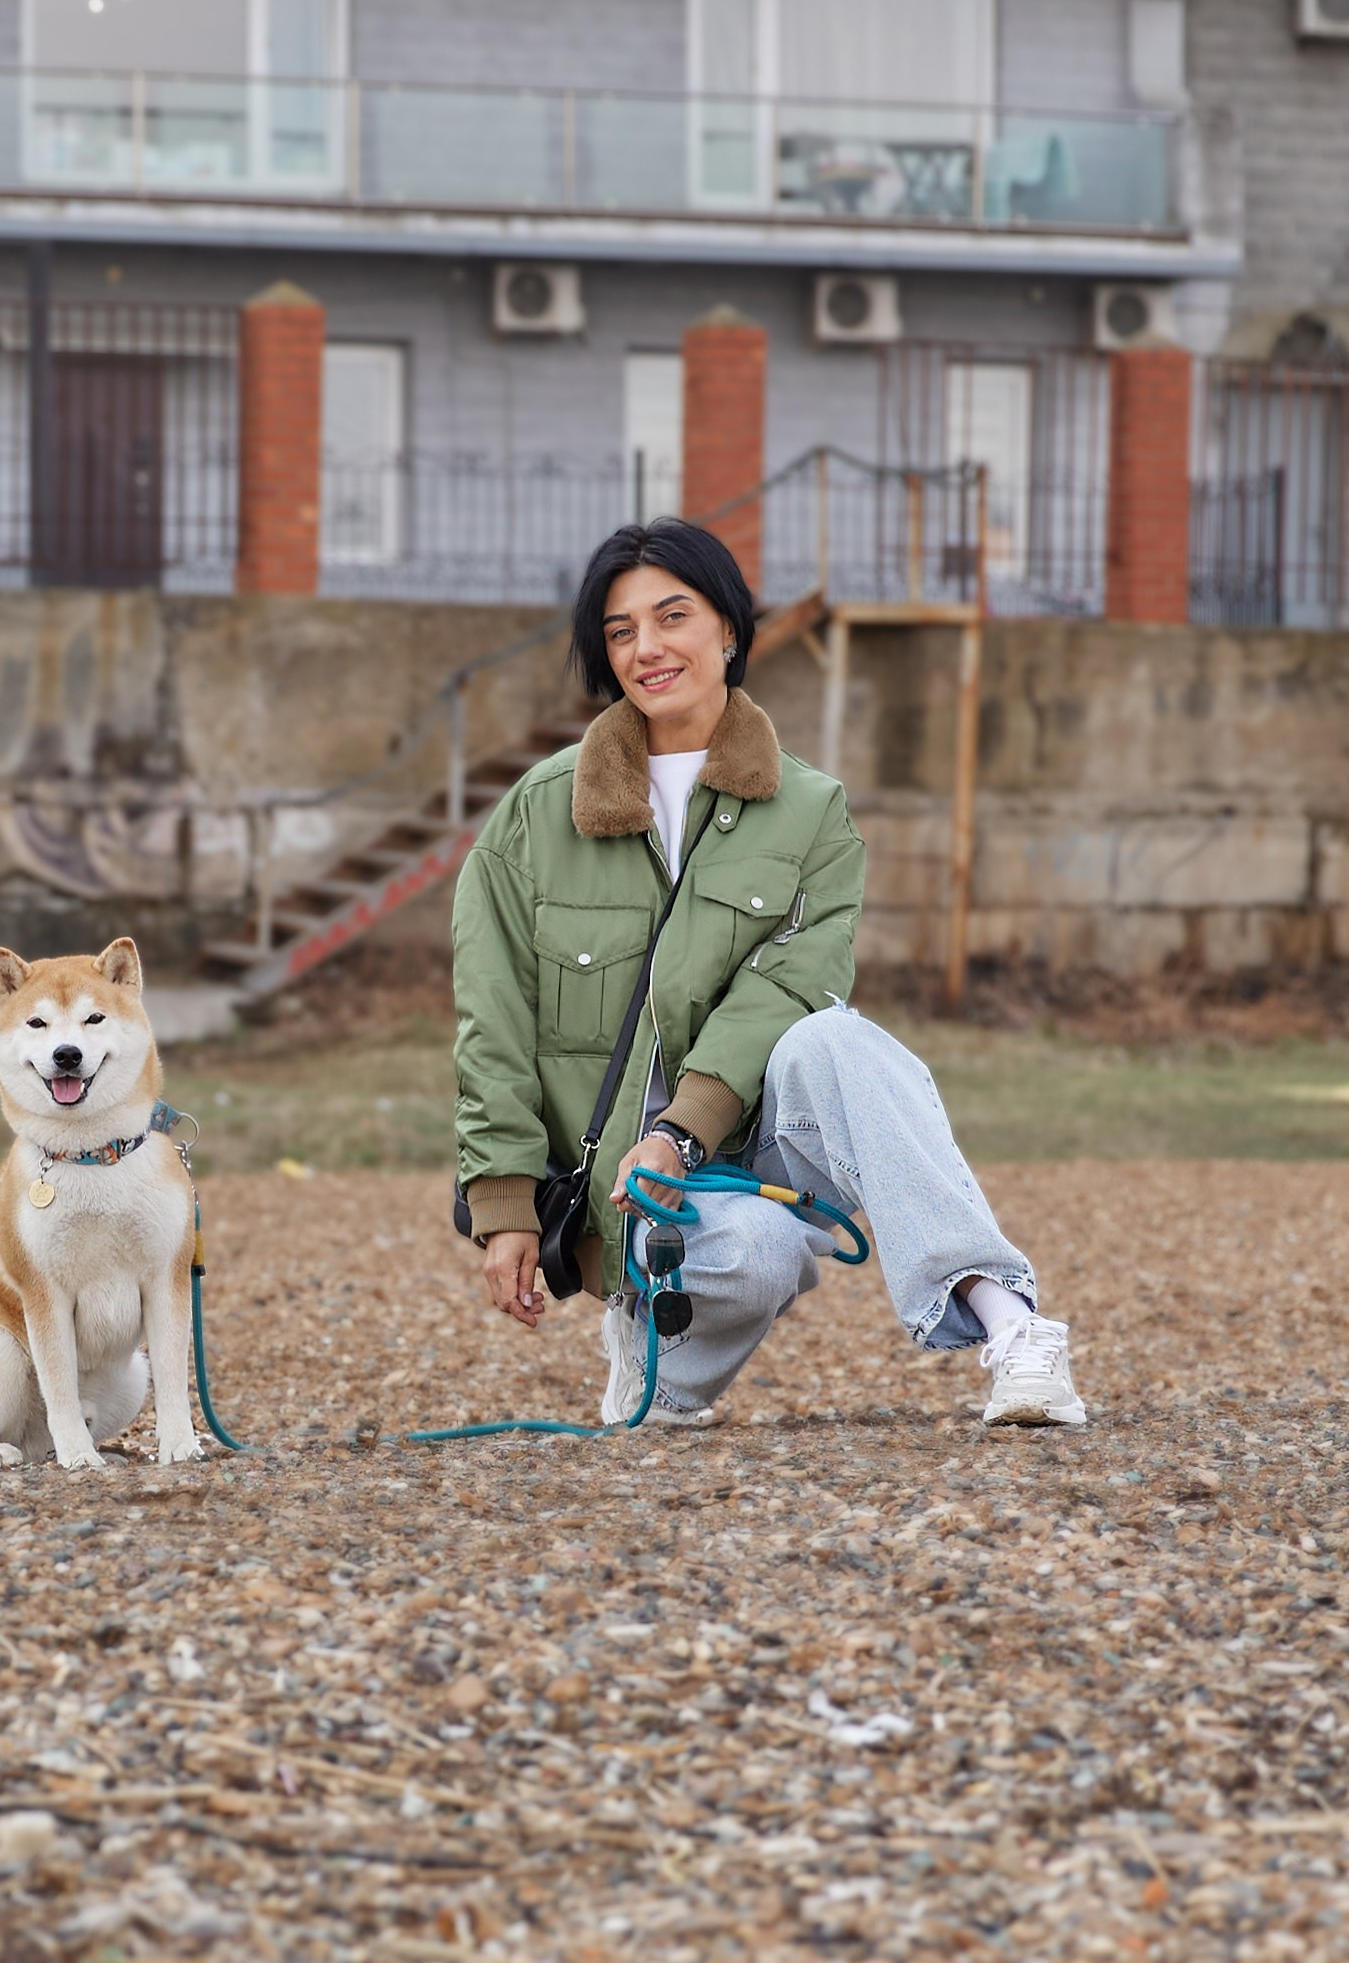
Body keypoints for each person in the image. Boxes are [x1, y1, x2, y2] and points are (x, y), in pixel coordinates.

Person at [451, 517, 1086, 1431]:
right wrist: (504, 1199)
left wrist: (682, 1132)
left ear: (730, 632)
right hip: (622, 1190)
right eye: (621, 631)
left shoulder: (815, 814)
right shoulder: (534, 815)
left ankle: (1013, 1326)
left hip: (756, 1146)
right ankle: (658, 1369)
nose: (647, 648)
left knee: (837, 1036)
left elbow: (791, 987)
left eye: (672, 617)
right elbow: (492, 1017)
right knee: (752, 1254)